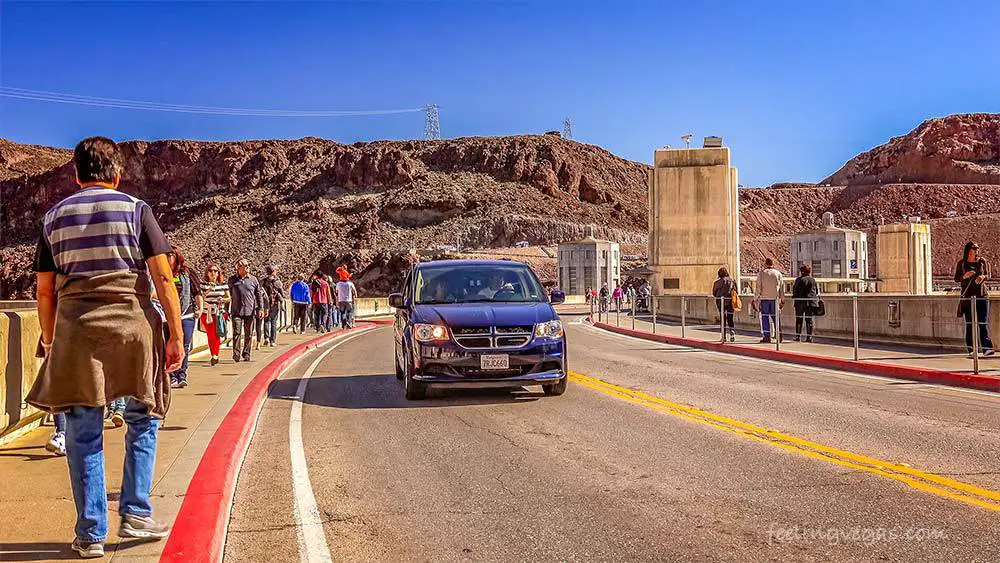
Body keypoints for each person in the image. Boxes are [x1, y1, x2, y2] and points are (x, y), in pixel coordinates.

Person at [27, 136, 182, 558]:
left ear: (76, 174)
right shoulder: (137, 210)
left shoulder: (53, 218)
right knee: (143, 416)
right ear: (117, 174)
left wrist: (51, 339)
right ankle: (135, 513)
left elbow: (45, 292)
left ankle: (91, 533)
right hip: (133, 329)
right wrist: (176, 334)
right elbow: (164, 279)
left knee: (82, 431)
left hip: (77, 332)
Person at [167, 246, 202, 388]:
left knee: (185, 345)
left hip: (186, 315)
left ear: (177, 257)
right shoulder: (164, 273)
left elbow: (197, 292)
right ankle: (171, 375)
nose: (167, 258)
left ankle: (181, 374)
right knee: (170, 345)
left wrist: (200, 308)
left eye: (170, 255)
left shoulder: (188, 273)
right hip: (168, 316)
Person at [955, 241, 995, 357]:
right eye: (974, 248)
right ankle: (971, 349)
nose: (977, 250)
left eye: (977, 248)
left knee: (983, 322)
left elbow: (988, 275)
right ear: (968, 250)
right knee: (970, 323)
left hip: (982, 296)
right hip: (968, 298)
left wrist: (982, 277)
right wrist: (964, 276)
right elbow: (956, 278)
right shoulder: (961, 263)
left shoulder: (982, 261)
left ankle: (987, 349)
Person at [228, 259, 266, 362]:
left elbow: (258, 295)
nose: (247, 267)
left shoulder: (253, 280)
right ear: (238, 268)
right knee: (237, 332)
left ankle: (246, 353)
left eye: (248, 265)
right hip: (236, 311)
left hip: (250, 311)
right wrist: (227, 309)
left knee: (248, 334)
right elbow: (229, 295)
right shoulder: (232, 280)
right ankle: (236, 354)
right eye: (244, 265)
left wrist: (261, 308)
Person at [200, 263, 230, 366]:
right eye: (211, 271)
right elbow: (200, 298)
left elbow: (229, 298)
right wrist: (209, 290)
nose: (213, 273)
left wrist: (223, 299)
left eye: (216, 271)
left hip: (219, 313)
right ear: (207, 273)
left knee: (216, 334)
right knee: (210, 334)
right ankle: (214, 354)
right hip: (207, 313)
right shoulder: (203, 285)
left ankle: (215, 355)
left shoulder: (223, 285)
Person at [754, 258, 784, 343]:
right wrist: (783, 299)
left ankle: (767, 337)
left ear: (765, 264)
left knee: (765, 318)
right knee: (776, 318)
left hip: (765, 299)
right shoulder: (778, 273)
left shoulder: (762, 273)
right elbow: (781, 287)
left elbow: (758, 287)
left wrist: (755, 298)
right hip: (775, 299)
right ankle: (779, 335)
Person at [792, 263, 819, 342]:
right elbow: (816, 291)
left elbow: (795, 291)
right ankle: (809, 337)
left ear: (802, 272)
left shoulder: (799, 280)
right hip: (810, 303)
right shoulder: (813, 280)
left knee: (799, 320)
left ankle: (798, 337)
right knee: (809, 320)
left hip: (800, 302)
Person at [712, 267, 737, 342]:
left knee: (723, 318)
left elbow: (714, 293)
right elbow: (736, 291)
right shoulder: (732, 281)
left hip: (720, 302)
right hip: (730, 301)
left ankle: (724, 336)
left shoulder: (717, 282)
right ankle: (732, 332)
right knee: (730, 318)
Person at [262, 265, 284, 346]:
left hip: (265, 304)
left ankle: (266, 337)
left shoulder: (263, 281)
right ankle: (272, 341)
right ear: (273, 271)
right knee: (274, 322)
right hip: (274, 304)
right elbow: (282, 293)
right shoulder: (277, 282)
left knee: (266, 321)